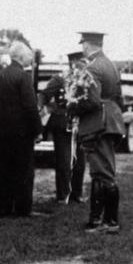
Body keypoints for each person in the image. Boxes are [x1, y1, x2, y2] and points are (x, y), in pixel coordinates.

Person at [67, 31, 125, 234]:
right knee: (104, 169)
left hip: (97, 123)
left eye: (83, 44)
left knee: (101, 171)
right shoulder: (110, 65)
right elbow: (118, 97)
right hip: (111, 120)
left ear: (87, 44)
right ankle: (101, 219)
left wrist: (72, 106)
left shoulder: (92, 67)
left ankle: (106, 222)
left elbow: (91, 100)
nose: (82, 47)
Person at [0, 41, 42, 217]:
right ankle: (23, 208)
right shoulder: (23, 77)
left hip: (3, 129)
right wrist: (37, 129)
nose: (30, 60)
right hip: (22, 132)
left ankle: (4, 207)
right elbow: (30, 106)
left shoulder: (0, 75)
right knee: (24, 170)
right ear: (21, 57)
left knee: (5, 169)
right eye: (28, 57)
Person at [39, 50, 87, 204]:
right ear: (72, 64)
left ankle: (76, 193)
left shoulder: (87, 80)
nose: (82, 66)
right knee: (64, 161)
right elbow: (44, 95)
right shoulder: (59, 78)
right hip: (62, 123)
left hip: (80, 124)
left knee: (80, 161)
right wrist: (42, 109)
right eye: (80, 63)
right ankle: (62, 194)